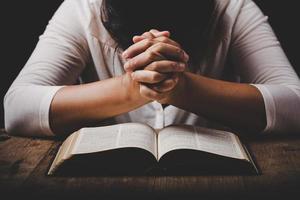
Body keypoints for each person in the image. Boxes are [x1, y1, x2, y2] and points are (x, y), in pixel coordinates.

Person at [4, 0, 300, 137]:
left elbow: (294, 102)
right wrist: (131, 88)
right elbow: (17, 108)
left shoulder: (232, 8)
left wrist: (183, 89)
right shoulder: (83, 9)